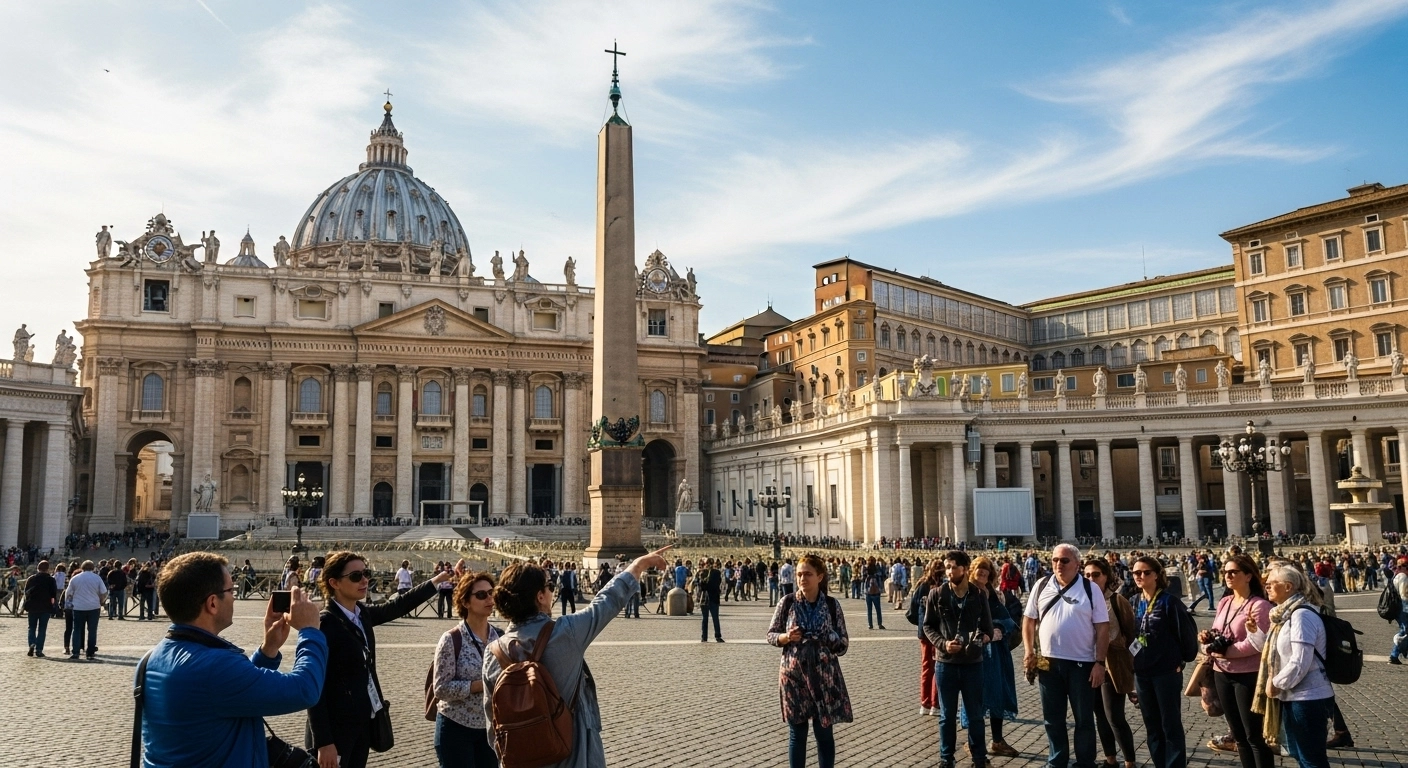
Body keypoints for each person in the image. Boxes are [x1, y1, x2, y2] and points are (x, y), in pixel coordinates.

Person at [483, 546, 672, 768]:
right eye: (550, 586)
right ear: (540, 596)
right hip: (572, 757)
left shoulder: (492, 652)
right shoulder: (565, 633)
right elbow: (606, 602)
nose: (552, 592)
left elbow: (492, 725)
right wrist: (638, 565)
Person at [136, 552, 326, 767]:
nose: (234, 596)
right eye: (230, 590)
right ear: (213, 603)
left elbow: (231, 693)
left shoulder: (151, 659)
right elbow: (304, 690)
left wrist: (268, 649)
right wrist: (310, 631)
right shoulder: (214, 666)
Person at [307, 552, 458, 768]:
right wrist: (323, 742)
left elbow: (399, 606)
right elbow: (315, 689)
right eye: (356, 576)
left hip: (363, 723)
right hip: (336, 729)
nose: (364, 580)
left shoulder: (362, 614)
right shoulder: (325, 624)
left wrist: (437, 581)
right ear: (334, 583)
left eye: (366, 573)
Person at [1023, 544, 1109, 768]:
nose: (1058, 565)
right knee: (1052, 718)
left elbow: (1102, 628)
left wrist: (1100, 663)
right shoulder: (1041, 585)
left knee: (1084, 719)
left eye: (1064, 560)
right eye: (1054, 560)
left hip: (1082, 663)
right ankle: (1057, 760)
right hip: (1047, 662)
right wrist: (1029, 652)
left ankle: (1085, 762)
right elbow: (1029, 621)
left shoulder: (1091, 589)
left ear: (1077, 564)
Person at [766, 553, 852, 768]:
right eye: (799, 574)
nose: (802, 579)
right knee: (797, 733)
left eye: (808, 574)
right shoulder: (787, 602)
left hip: (824, 677)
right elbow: (771, 635)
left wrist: (829, 637)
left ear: (820, 577)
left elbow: (843, 644)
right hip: (793, 677)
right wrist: (786, 637)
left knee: (824, 732)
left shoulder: (832, 606)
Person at [1248, 562, 1334, 768]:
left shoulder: (1301, 616)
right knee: (1298, 753)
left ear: (1288, 587)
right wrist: (1255, 632)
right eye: (1265, 583)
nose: (1266, 586)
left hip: (1308, 697)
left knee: (1311, 758)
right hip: (1294, 696)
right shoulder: (1283, 615)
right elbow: (1273, 652)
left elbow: (1300, 660)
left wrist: (1276, 683)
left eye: (1271, 583)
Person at [1201, 553, 1274, 768]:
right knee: (1238, 736)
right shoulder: (1224, 602)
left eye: (1234, 572)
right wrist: (1207, 639)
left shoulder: (1260, 606)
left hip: (1247, 675)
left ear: (1249, 576)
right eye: (1225, 572)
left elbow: (1257, 644)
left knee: (1254, 736)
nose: (1228, 576)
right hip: (1221, 673)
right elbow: (1217, 631)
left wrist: (1224, 653)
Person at [924, 550, 992, 768]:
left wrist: (978, 641)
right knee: (946, 716)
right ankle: (946, 759)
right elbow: (928, 626)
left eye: (953, 566)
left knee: (975, 716)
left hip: (973, 663)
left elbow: (988, 628)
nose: (949, 570)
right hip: (946, 664)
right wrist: (943, 644)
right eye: (947, 566)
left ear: (964, 569)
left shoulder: (978, 594)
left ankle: (979, 758)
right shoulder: (937, 594)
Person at [432, 571, 501, 768]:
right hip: (456, 727)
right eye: (481, 595)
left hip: (490, 728)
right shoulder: (451, 639)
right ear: (466, 602)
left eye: (491, 592)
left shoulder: (500, 637)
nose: (489, 598)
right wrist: (480, 685)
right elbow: (441, 689)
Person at [1129, 556, 1192, 768]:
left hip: (1166, 671)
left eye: (1146, 572)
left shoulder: (1169, 602)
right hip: (1142, 673)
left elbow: (1186, 635)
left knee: (1170, 725)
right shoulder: (1135, 601)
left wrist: (1181, 660)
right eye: (1136, 573)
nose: (1140, 576)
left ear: (1156, 575)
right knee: (1152, 725)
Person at [1082, 558, 1136, 768]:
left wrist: (1125, 652)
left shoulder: (1116, 601)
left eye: (1096, 575)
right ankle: (1110, 759)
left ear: (1106, 576)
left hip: (1112, 665)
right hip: (1088, 662)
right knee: (1099, 716)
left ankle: (1130, 761)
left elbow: (1132, 633)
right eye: (1087, 575)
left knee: (1114, 716)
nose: (1091, 579)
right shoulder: (1081, 600)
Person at [968, 555, 1020, 758]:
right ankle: (975, 742)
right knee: (976, 697)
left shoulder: (994, 594)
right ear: (972, 571)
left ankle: (997, 740)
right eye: (979, 569)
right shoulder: (966, 592)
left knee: (996, 693)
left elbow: (1008, 618)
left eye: (986, 569)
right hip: (974, 652)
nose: (982, 572)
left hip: (996, 653)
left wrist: (998, 627)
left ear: (991, 574)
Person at [908, 559, 943, 715]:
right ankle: (935, 704)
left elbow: (912, 611)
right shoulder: (944, 587)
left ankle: (925, 703)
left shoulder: (921, 586)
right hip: (940, 633)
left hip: (925, 633)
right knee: (938, 667)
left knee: (926, 667)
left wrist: (922, 624)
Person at [66, 559, 107, 660]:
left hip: (78, 607)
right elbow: (104, 592)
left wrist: (69, 605)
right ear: (93, 568)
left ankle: (75, 652)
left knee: (77, 629)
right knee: (92, 630)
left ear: (82, 568)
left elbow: (69, 594)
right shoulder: (97, 578)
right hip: (93, 607)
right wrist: (101, 600)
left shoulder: (75, 579)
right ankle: (90, 652)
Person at [24, 560, 59, 657]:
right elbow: (53, 595)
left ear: (38, 568)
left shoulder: (31, 579)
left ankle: (31, 643)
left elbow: (26, 592)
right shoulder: (51, 580)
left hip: (32, 606)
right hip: (45, 606)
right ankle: (39, 649)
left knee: (31, 627)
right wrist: (53, 605)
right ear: (48, 569)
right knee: (42, 629)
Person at [697, 557, 724, 642]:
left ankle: (704, 637)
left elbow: (702, 587)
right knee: (715, 618)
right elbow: (718, 584)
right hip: (713, 597)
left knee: (706, 619)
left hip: (705, 598)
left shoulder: (703, 572)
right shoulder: (717, 572)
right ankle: (717, 636)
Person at [1388, 557, 1408, 665]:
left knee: (1405, 631)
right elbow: (1404, 596)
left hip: (1399, 608)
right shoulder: (1403, 577)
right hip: (1404, 609)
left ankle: (1395, 655)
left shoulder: (1396, 575)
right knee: (1405, 631)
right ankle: (1394, 655)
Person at [863, 558, 886, 630]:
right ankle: (880, 624)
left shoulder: (865, 569)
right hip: (876, 592)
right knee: (878, 609)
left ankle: (870, 624)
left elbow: (862, 578)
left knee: (869, 610)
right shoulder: (877, 569)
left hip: (868, 592)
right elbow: (882, 576)